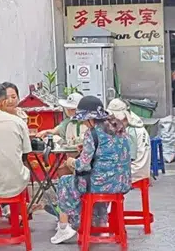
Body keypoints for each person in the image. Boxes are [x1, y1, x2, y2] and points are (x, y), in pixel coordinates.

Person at [52, 96, 131, 244]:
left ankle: (64, 227)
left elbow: (83, 165)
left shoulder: (92, 133)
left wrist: (71, 161)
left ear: (89, 118)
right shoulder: (118, 126)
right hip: (122, 182)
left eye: (83, 119)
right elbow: (110, 152)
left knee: (64, 181)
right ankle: (99, 223)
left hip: (100, 184)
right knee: (94, 179)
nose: (82, 122)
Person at [107, 99, 151, 183]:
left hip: (134, 173)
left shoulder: (131, 132)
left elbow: (129, 158)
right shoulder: (135, 127)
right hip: (137, 170)